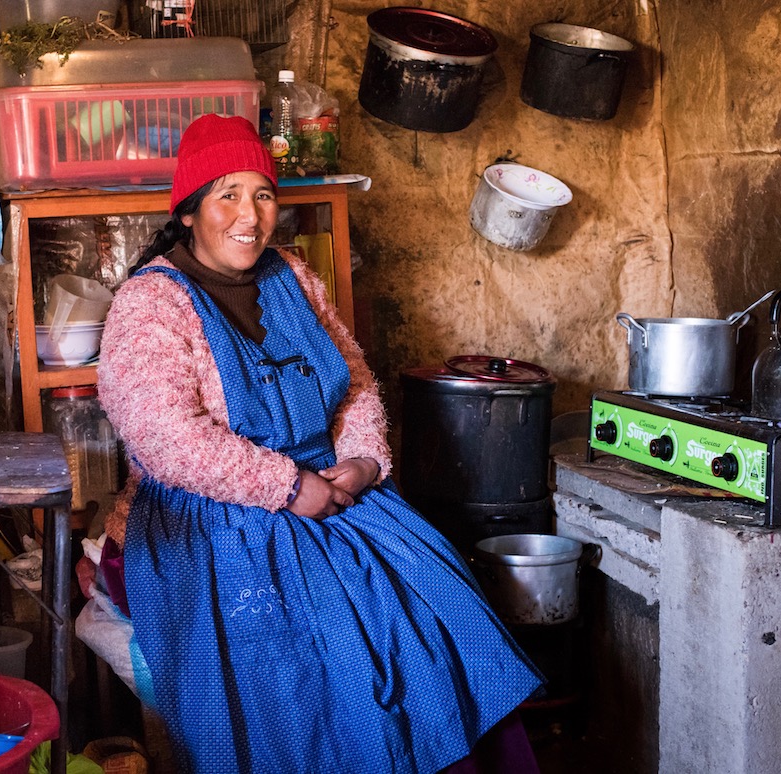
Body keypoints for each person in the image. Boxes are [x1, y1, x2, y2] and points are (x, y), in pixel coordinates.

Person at [96, 113, 541, 773]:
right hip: (211, 515)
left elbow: (354, 381)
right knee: (326, 640)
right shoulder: (151, 304)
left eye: (263, 194)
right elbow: (168, 438)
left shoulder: (293, 278)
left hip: (331, 485)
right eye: (227, 195)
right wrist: (286, 486)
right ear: (189, 211)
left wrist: (361, 461)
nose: (250, 214)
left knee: (437, 597)